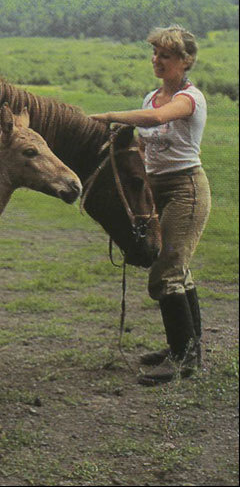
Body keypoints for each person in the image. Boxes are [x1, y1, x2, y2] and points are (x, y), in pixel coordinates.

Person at [90, 25, 211, 386]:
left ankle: (182, 357)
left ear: (185, 61)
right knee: (178, 268)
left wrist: (110, 115)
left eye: (166, 55)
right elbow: (143, 148)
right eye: (155, 53)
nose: (157, 60)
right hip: (155, 189)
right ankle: (188, 347)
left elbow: (158, 120)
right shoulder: (149, 97)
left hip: (185, 189)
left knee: (167, 271)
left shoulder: (191, 98)